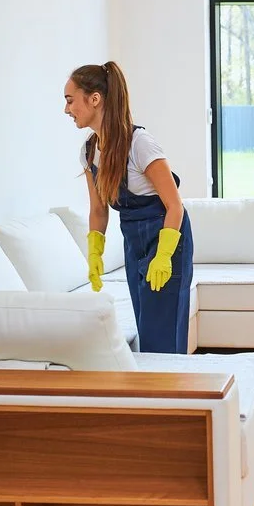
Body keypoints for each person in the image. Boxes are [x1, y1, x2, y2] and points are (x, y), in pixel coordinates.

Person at [64, 61, 194, 354]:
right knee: (146, 328)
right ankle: (152, 396)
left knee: (162, 335)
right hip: (134, 243)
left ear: (94, 99)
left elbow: (175, 205)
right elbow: (99, 210)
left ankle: (172, 396)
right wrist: (94, 253)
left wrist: (164, 255)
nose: (66, 109)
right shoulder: (89, 151)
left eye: (70, 100)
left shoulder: (140, 144)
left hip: (167, 239)